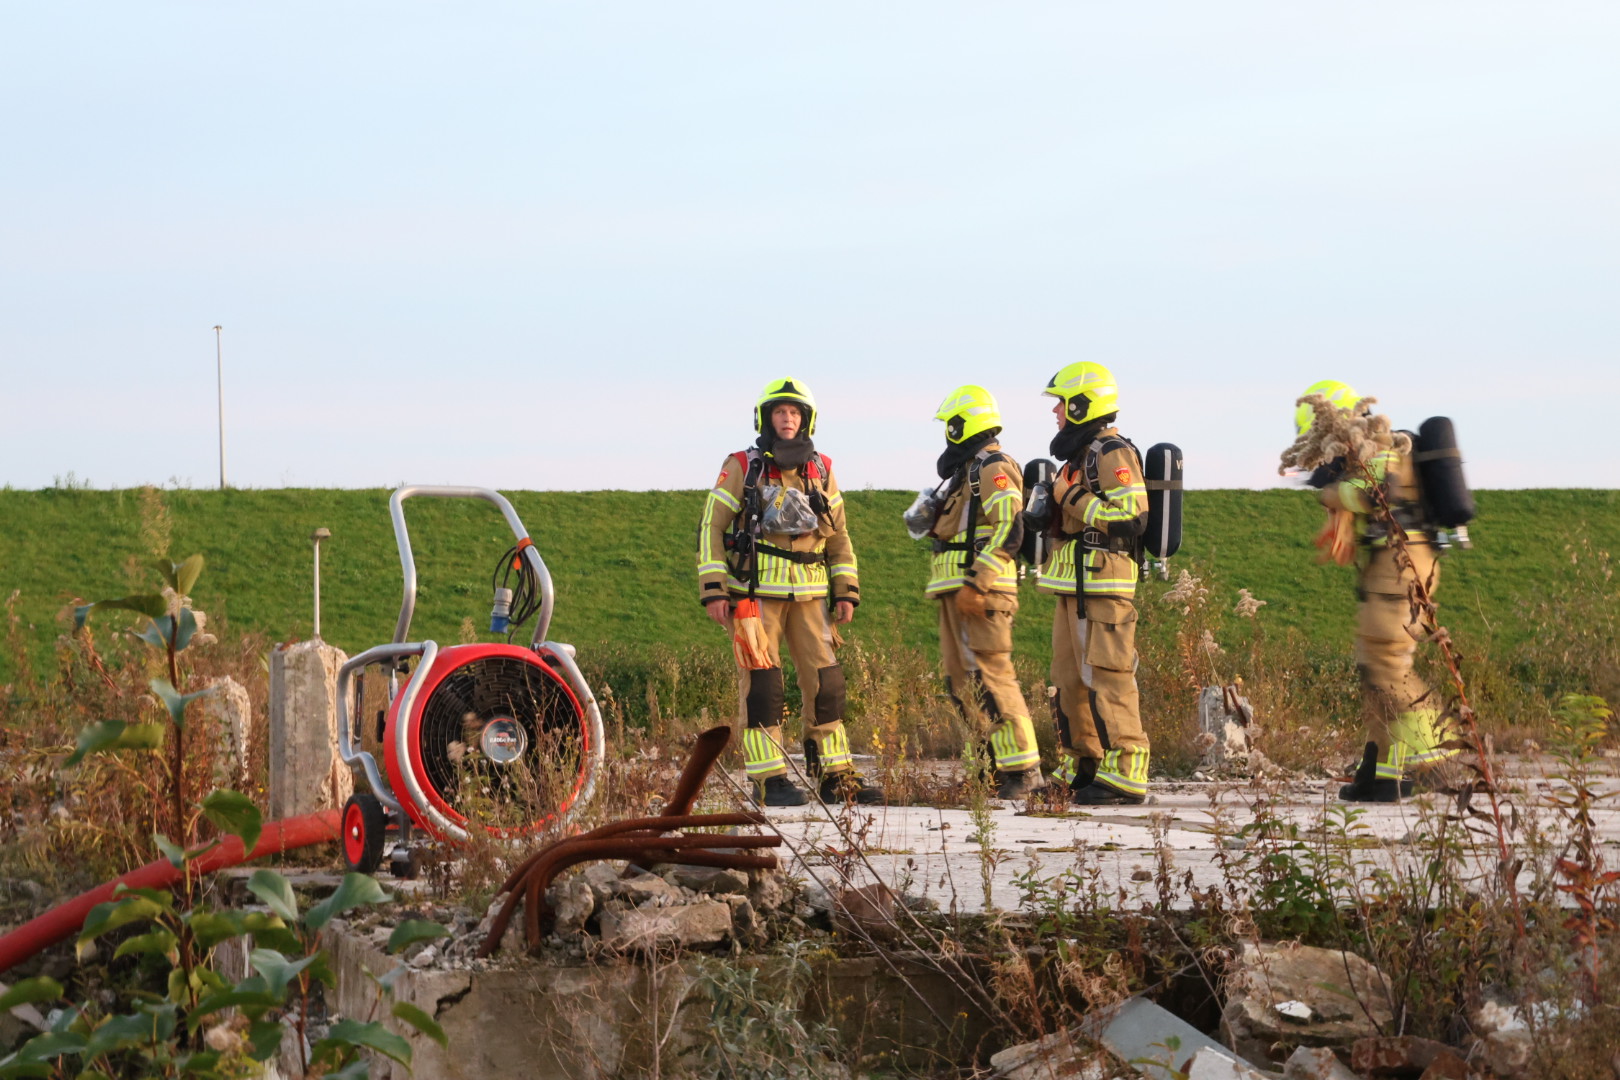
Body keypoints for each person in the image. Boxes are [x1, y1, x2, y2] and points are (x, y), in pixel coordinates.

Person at [697, 377, 883, 807]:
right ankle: (770, 779)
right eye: (780, 412)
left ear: (806, 419)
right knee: (763, 686)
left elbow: (839, 536)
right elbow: (712, 525)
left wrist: (846, 590)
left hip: (813, 598)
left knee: (828, 683)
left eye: (795, 413)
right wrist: (714, 589)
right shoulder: (742, 465)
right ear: (767, 417)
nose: (787, 419)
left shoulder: (821, 469)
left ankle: (835, 775)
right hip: (754, 596)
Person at [1294, 380, 1456, 802]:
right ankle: (1382, 771)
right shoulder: (1374, 447)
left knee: (1388, 668)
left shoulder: (1381, 447)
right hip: (1391, 567)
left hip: (1400, 568)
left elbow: (1375, 492)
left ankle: (1441, 759)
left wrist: (1331, 493)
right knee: (1373, 672)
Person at [916, 386, 1045, 799]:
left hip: (980, 593)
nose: (947, 436)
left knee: (992, 679)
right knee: (963, 684)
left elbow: (1010, 527)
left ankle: (1023, 771)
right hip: (958, 592)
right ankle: (992, 766)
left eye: (950, 427)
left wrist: (977, 582)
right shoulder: (966, 472)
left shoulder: (994, 466)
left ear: (963, 424)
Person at [1031, 362, 1151, 805]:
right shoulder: (1078, 458)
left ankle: (1128, 769)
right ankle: (1081, 764)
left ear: (1083, 404)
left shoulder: (1111, 452)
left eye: (1062, 402)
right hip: (1073, 584)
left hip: (1105, 582)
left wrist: (1069, 497)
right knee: (1067, 678)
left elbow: (1131, 518)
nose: (1056, 411)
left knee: (1110, 674)